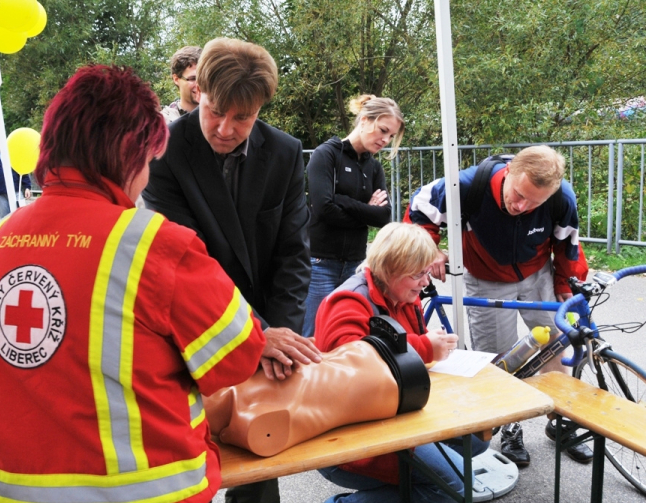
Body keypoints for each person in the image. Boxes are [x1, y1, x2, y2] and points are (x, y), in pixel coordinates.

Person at [0, 65, 267, 503]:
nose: (146, 177)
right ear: (131, 155)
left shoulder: (0, 238)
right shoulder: (152, 243)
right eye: (147, 162)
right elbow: (237, 357)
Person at [143, 37, 322, 503]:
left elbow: (292, 252)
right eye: (216, 111)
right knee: (184, 453)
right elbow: (188, 261)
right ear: (198, 90)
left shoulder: (284, 152)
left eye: (243, 118)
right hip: (189, 327)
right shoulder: (162, 153)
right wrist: (256, 336)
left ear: (262, 106)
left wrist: (279, 333)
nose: (225, 128)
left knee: (259, 454)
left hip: (264, 321)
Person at [405, 144, 592, 466]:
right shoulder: (466, 186)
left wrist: (565, 282)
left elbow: (567, 244)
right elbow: (419, 208)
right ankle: (509, 427)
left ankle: (561, 422)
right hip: (485, 276)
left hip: (538, 274)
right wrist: (429, 249)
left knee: (559, 347)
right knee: (500, 360)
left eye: (534, 203)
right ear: (509, 173)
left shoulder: (562, 198)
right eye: (518, 195)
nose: (521, 206)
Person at [314, 222, 489, 503]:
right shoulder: (348, 302)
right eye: (418, 274)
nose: (425, 281)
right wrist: (424, 347)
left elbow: (410, 348)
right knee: (455, 489)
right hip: (352, 433)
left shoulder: (403, 293)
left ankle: (410, 490)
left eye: (426, 272)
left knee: (477, 440)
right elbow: (349, 377)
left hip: (396, 414)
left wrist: (428, 344)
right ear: (388, 269)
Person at [302, 94, 401, 337]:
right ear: (365, 120)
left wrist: (343, 201)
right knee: (313, 339)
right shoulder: (326, 154)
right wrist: (365, 209)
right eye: (383, 130)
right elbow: (323, 209)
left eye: (391, 136)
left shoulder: (374, 167)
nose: (386, 140)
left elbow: (383, 216)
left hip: (355, 265)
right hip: (320, 263)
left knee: (350, 337)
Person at [161, 45, 202, 124]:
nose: (200, 85)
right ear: (176, 79)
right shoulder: (163, 123)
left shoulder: (219, 117)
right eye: (193, 78)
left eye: (203, 78)